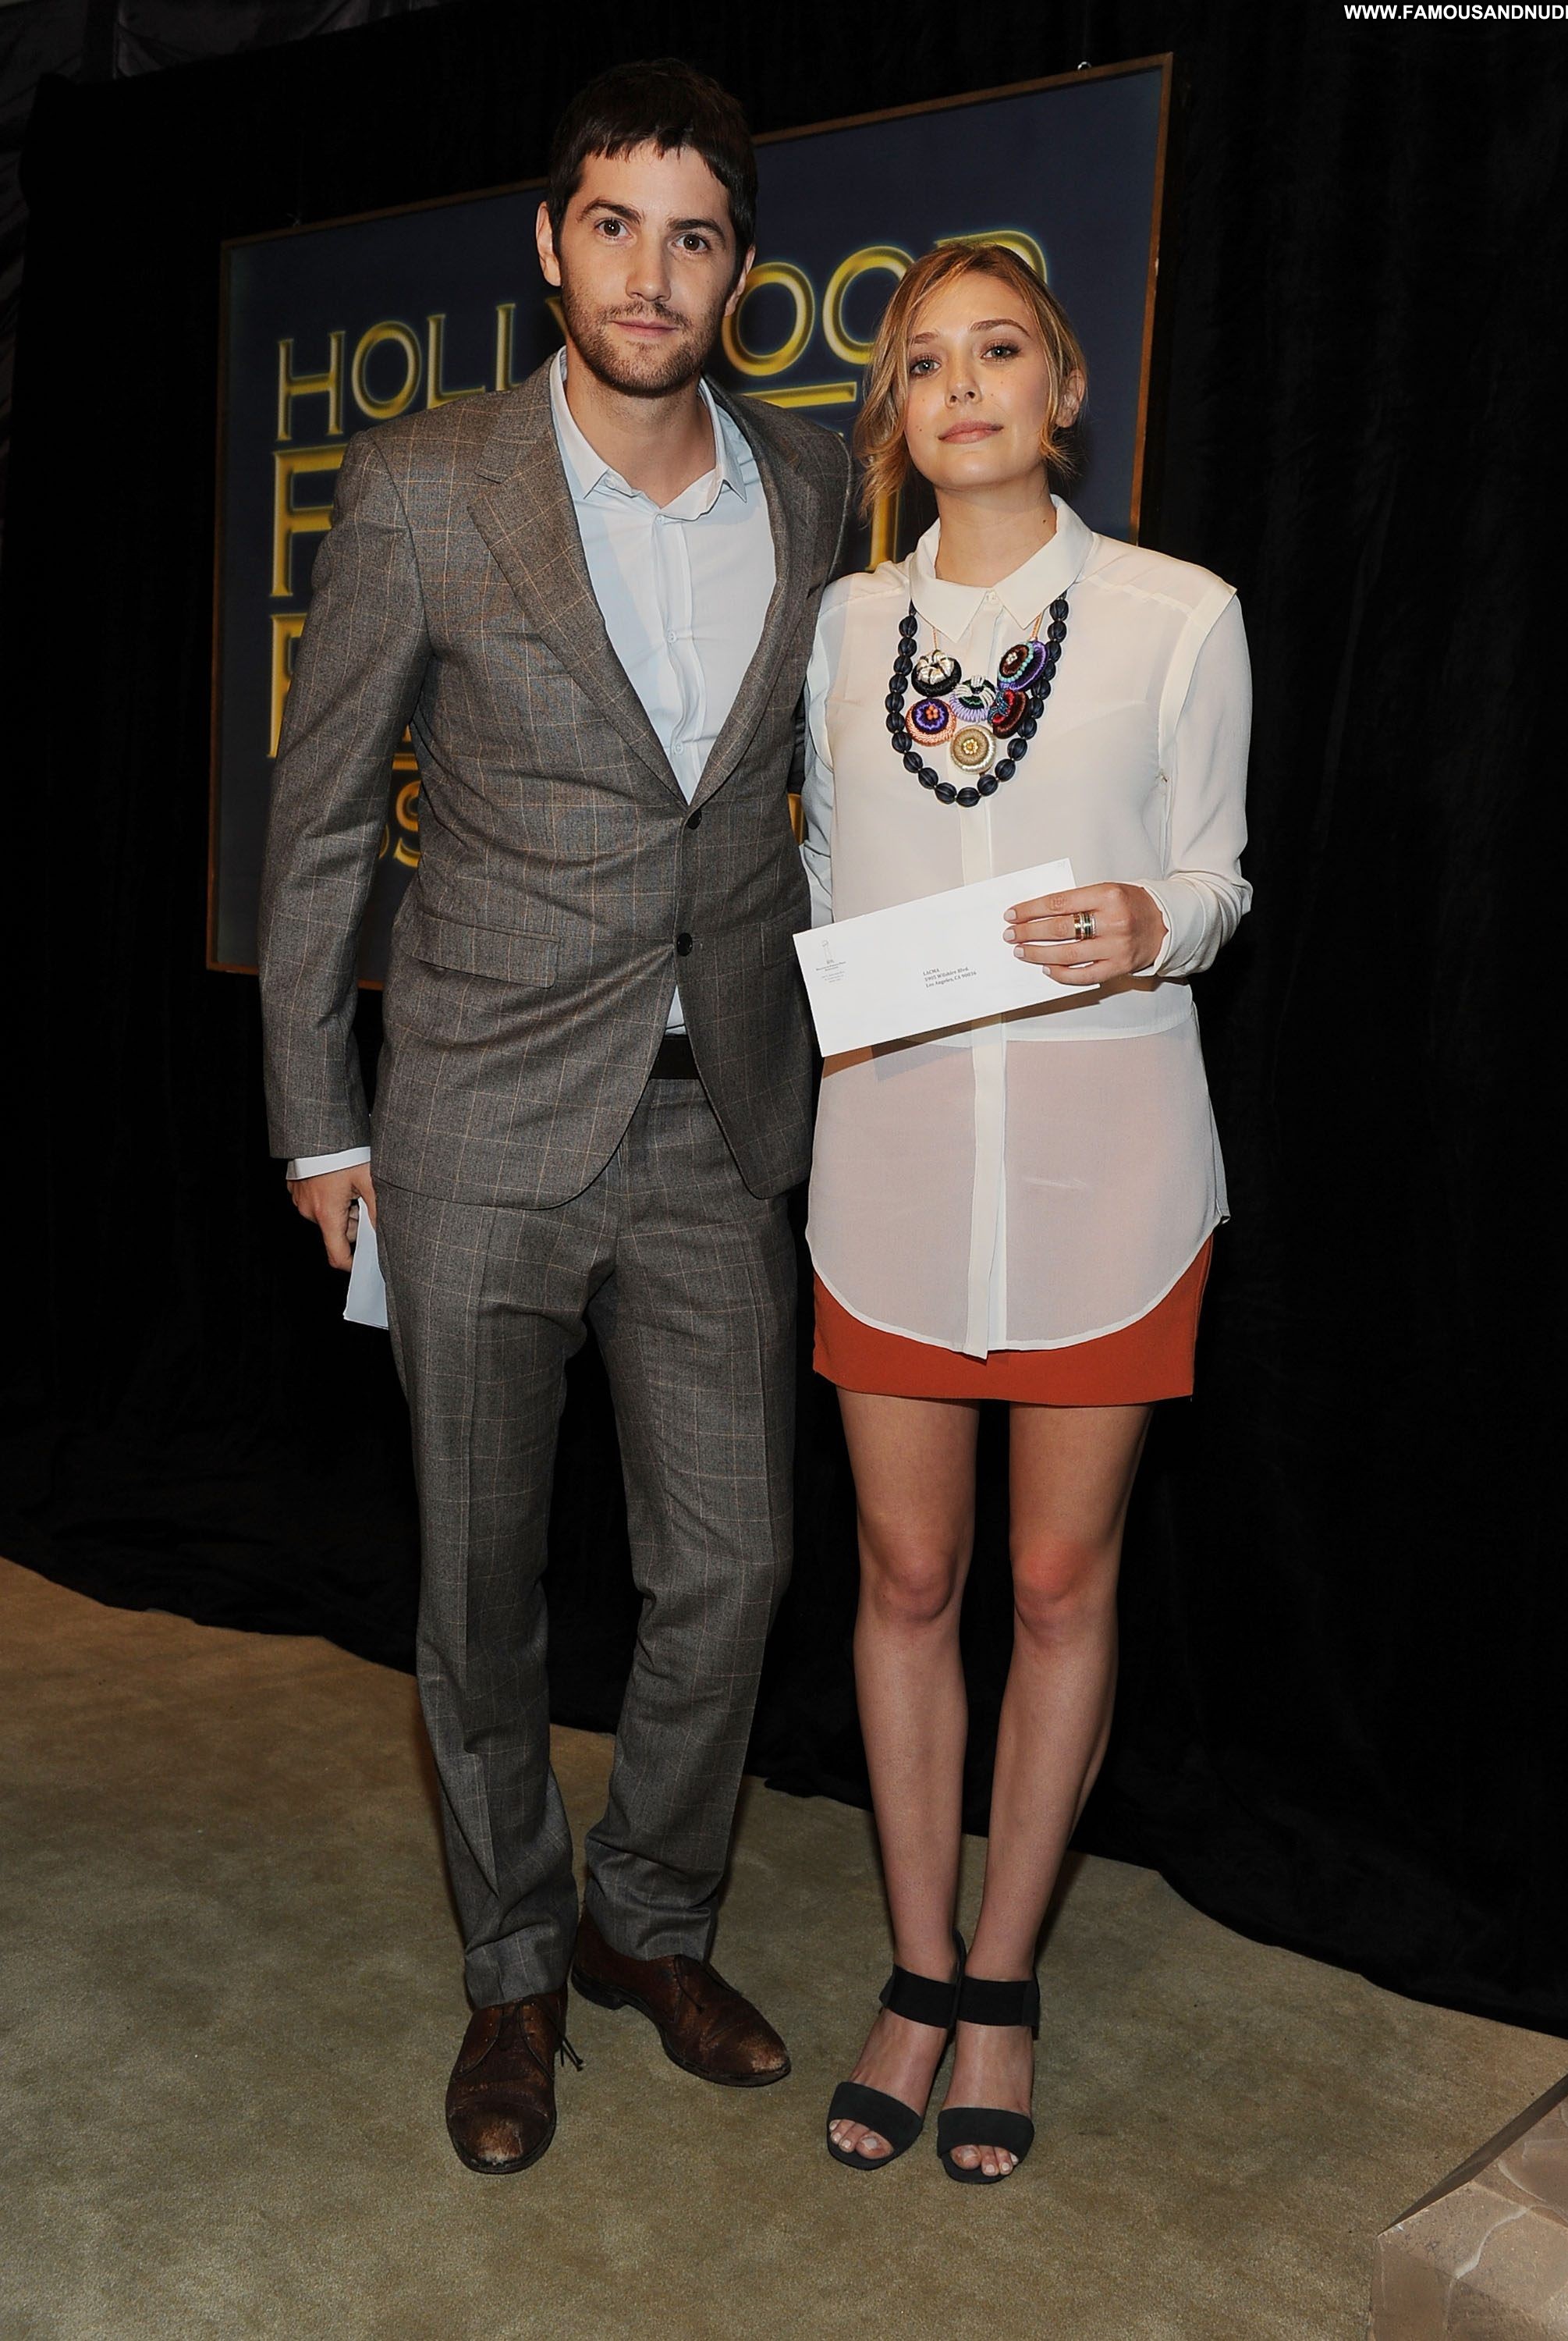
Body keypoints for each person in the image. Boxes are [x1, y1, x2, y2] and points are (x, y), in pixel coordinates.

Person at [257, 59, 852, 2176]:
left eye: (692, 236)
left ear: (738, 271)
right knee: (480, 1586)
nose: (648, 273)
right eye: (612, 225)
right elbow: (323, 822)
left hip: (717, 1126)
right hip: (478, 1127)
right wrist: (320, 1127)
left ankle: (643, 1919)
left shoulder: (808, 484)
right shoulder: (426, 484)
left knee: (735, 1568)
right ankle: (511, 1965)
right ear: (547, 244)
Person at [800, 243, 1251, 2184]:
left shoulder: (1177, 613)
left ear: (1063, 390)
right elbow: (822, 872)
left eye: (998, 351)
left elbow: (1221, 871)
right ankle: (914, 1973)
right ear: (893, 414)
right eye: (922, 362)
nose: (961, 385)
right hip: (890, 1162)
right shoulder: (844, 627)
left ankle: (1001, 1981)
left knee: (1059, 1584)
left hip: (1104, 1166)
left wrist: (1162, 915)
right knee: (906, 1580)